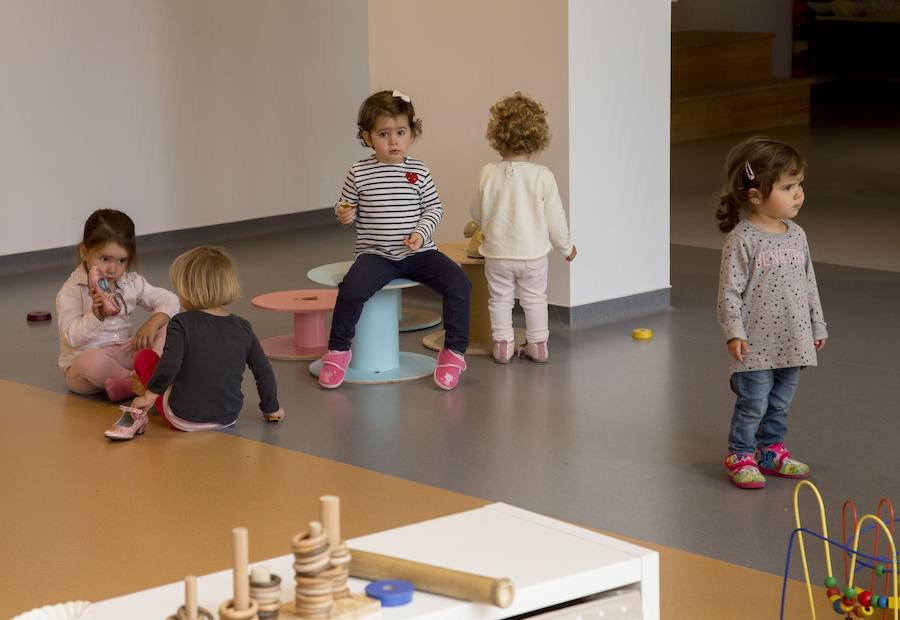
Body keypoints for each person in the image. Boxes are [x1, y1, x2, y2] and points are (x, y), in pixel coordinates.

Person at [320, 89, 471, 390]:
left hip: (419, 254)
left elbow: (433, 208)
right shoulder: (359, 172)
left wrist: (420, 233)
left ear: (412, 134)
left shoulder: (419, 171)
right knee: (351, 289)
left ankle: (453, 352)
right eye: (384, 134)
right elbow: (345, 206)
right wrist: (344, 214)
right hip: (376, 255)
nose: (393, 141)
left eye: (401, 132)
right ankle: (338, 350)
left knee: (459, 283)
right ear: (367, 137)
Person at [716, 136, 827, 489]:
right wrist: (735, 332)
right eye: (788, 186)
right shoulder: (742, 239)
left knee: (779, 403)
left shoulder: (797, 235)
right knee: (753, 403)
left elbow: (809, 282)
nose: (799, 194)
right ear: (755, 195)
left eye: (800, 185)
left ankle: (770, 451)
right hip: (755, 345)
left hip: (792, 339)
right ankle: (741, 453)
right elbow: (729, 292)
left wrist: (817, 324)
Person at [104, 246, 284, 439]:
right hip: (227, 418)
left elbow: (169, 366)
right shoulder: (243, 327)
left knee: (145, 357)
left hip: (182, 418)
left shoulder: (181, 323)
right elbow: (263, 371)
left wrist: (148, 396)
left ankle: (141, 391)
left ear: (188, 291)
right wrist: (271, 408)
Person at [470, 92, 575, 364]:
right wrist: (566, 247)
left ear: (497, 135)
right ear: (538, 137)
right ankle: (538, 344)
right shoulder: (542, 176)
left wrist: (485, 227)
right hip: (533, 255)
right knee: (535, 299)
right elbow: (555, 218)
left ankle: (503, 345)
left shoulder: (487, 172)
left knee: (500, 299)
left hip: (497, 254)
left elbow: (477, 212)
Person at [56, 209, 179, 401]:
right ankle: (142, 382)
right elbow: (71, 337)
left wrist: (153, 322)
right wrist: (96, 316)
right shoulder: (71, 290)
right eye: (105, 259)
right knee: (91, 362)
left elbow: (171, 300)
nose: (113, 269)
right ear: (84, 252)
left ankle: (137, 379)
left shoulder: (131, 283)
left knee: (171, 325)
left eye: (121, 260)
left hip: (123, 352)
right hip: (85, 366)